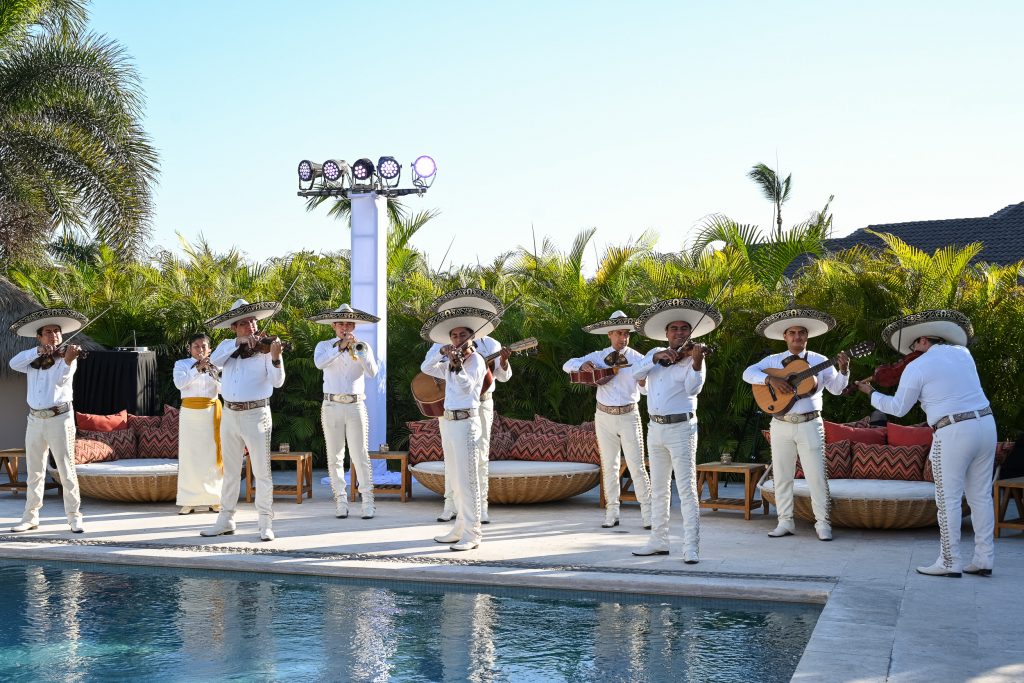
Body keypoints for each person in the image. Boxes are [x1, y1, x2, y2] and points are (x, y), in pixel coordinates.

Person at [856, 310, 996, 577]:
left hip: (953, 430)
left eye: (911, 347)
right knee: (980, 497)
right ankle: (984, 559)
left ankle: (949, 561)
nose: (908, 353)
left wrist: (872, 393)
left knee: (948, 499)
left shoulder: (916, 366)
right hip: (986, 425)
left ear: (922, 341)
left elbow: (898, 409)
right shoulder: (963, 354)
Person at [742, 308, 849, 541]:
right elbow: (747, 373)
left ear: (807, 337)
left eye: (801, 333)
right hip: (780, 423)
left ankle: (823, 523)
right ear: (785, 337)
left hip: (810, 423)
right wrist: (770, 378)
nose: (797, 337)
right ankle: (785, 522)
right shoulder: (772, 361)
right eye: (792, 333)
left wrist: (843, 370)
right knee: (782, 475)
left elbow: (837, 389)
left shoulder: (820, 361)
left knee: (816, 476)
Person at [631, 299, 722, 564]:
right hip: (654, 428)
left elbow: (694, 389)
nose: (680, 332)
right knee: (658, 489)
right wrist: (656, 358)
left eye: (685, 329)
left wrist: (695, 362)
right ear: (667, 333)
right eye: (675, 329)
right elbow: (636, 374)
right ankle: (658, 541)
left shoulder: (695, 358)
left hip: (682, 428)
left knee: (686, 489)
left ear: (690, 333)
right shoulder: (655, 354)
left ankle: (690, 546)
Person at [200, 299, 285, 542]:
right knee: (230, 471)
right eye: (245, 323)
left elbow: (278, 382)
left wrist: (276, 358)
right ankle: (225, 520)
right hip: (229, 414)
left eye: (253, 322)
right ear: (234, 328)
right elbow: (214, 361)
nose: (252, 327)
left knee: (262, 471)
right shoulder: (227, 346)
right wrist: (239, 343)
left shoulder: (267, 349)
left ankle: (265, 523)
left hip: (257, 414)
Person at [426, 289, 511, 524]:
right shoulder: (442, 342)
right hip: (449, 405)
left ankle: (480, 507)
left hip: (480, 405)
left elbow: (502, 377)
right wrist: (446, 353)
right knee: (451, 456)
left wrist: (502, 362)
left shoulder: (490, 343)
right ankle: (450, 505)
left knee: (480, 455)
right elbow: (428, 368)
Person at [419, 305, 499, 551]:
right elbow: (426, 368)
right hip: (451, 421)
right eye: (453, 336)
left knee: (468, 480)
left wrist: (456, 365)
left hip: (467, 423)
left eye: (462, 335)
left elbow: (467, 386)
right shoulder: (451, 359)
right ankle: (459, 527)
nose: (457, 340)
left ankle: (473, 533)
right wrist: (442, 353)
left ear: (471, 337)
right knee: (455, 475)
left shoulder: (475, 360)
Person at [562, 310, 651, 529]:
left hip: (629, 415)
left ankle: (649, 514)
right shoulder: (598, 356)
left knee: (637, 466)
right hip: (603, 416)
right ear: (609, 334)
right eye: (619, 333)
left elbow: (647, 391)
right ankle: (612, 512)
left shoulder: (639, 358)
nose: (623, 338)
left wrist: (641, 380)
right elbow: (568, 364)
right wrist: (581, 366)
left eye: (627, 334)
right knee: (609, 466)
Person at [8, 308, 88, 534]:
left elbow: (62, 379)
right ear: (40, 337)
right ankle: (30, 517)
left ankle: (74, 517)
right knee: (34, 470)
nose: (53, 335)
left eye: (56, 332)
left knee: (66, 468)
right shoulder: (32, 357)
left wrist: (68, 359)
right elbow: (14, 363)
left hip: (60, 418)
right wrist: (38, 351)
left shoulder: (68, 358)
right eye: (48, 332)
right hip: (34, 419)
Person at [308, 304, 380, 519]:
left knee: (360, 455)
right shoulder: (323, 346)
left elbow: (373, 373)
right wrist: (339, 347)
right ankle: (340, 500)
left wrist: (361, 352)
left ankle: (368, 501)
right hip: (331, 405)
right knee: (335, 456)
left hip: (356, 405)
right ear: (334, 326)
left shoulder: (363, 346)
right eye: (341, 323)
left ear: (354, 325)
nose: (345, 326)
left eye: (349, 323)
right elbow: (319, 363)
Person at [173, 332, 224, 515]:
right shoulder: (181, 364)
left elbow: (225, 390)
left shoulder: (216, 365)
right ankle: (189, 500)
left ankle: (214, 498)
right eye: (196, 346)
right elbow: (180, 384)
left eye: (204, 346)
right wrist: (198, 369)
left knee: (212, 456)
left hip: (211, 412)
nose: (200, 350)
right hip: (189, 414)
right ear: (190, 348)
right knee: (190, 457)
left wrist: (213, 375)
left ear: (209, 349)